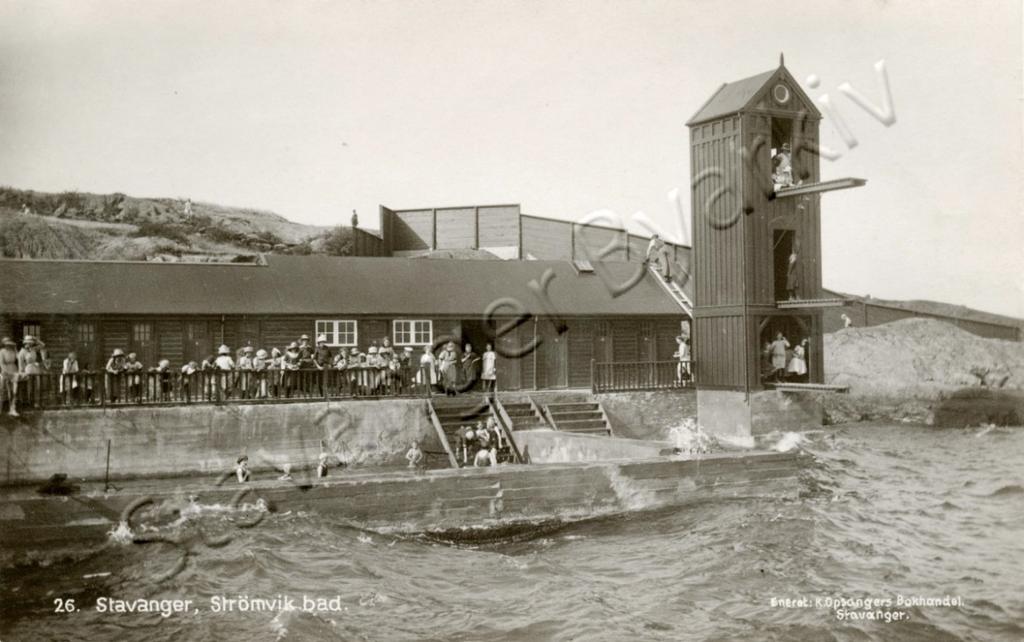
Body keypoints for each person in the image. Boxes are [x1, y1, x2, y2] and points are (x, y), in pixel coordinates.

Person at [1, 337, 21, 416]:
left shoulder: (13, 351)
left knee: (14, 391)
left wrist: (15, 349)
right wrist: (6, 372)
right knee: (7, 390)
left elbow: (19, 358)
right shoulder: (2, 352)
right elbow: (1, 363)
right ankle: (6, 408)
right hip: (5, 371)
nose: (8, 346)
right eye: (6, 344)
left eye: (9, 344)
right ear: (4, 345)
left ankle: (13, 408)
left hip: (14, 370)